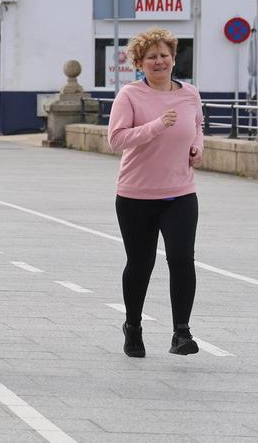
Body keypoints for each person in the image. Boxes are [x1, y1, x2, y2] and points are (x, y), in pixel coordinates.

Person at [108, 28, 203, 358]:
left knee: (181, 259)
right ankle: (133, 327)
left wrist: (196, 147)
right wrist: (157, 125)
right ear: (139, 63)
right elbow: (117, 139)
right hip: (136, 194)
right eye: (152, 57)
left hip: (181, 192)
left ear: (174, 59)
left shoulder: (190, 94)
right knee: (141, 263)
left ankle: (182, 333)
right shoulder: (130, 96)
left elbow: (198, 127)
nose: (159, 61)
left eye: (165, 55)